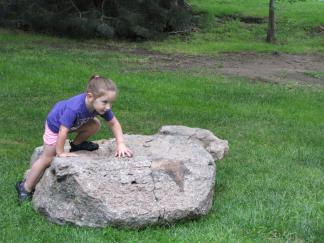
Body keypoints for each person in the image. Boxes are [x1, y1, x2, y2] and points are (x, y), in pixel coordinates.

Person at [16, 75, 133, 204]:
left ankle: (77, 144)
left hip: (72, 124)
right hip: (56, 126)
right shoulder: (74, 108)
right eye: (105, 102)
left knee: (95, 124)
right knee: (48, 158)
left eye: (110, 103)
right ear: (90, 96)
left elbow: (114, 124)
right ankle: (25, 188)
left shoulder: (100, 107)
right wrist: (60, 152)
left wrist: (120, 144)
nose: (108, 107)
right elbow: (62, 131)